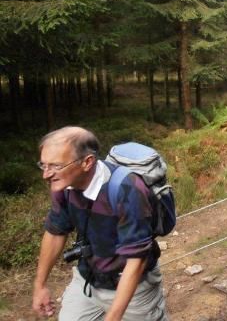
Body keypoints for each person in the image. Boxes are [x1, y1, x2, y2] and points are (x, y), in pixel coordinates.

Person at [32, 126, 168, 321]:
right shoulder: (62, 185)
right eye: (43, 165)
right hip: (88, 279)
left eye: (55, 166)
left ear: (87, 162)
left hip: (134, 286)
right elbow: (55, 232)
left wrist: (113, 316)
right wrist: (40, 285)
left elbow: (137, 260)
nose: (46, 174)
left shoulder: (127, 189)